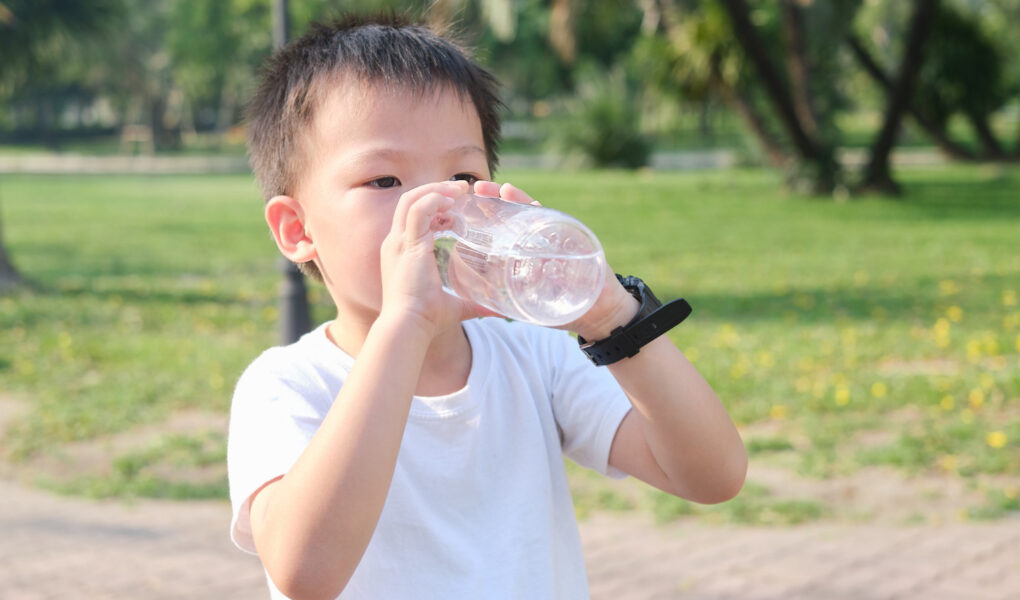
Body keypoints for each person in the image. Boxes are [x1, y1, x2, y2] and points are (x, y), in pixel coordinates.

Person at [228, 12, 747, 600]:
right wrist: (406, 326)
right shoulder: (287, 386)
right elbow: (306, 574)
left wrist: (613, 320)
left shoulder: (533, 354)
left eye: (463, 174)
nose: (438, 205)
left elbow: (713, 475)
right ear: (297, 228)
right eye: (384, 181)